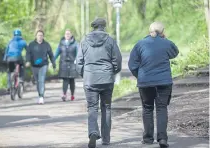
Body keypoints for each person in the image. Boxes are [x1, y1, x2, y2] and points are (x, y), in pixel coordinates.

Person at [128, 22, 179, 148]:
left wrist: (139, 76)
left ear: (148, 31)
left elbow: (132, 64)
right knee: (162, 109)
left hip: (145, 83)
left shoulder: (140, 44)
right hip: (164, 82)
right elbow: (175, 53)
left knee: (147, 109)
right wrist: (164, 39)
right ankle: (162, 139)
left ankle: (148, 139)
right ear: (162, 32)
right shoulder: (167, 43)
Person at [76, 18, 122, 148]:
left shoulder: (84, 40)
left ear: (94, 27)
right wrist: (112, 72)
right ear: (104, 26)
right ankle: (106, 139)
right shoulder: (110, 40)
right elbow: (117, 60)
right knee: (106, 108)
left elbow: (79, 61)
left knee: (92, 108)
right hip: (106, 79)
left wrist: (84, 74)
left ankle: (93, 133)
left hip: (90, 79)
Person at [26, 30, 56, 104]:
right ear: (36, 36)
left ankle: (41, 96)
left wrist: (53, 64)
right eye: (39, 35)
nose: (40, 37)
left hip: (44, 65)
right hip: (34, 65)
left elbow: (51, 55)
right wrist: (28, 61)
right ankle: (40, 95)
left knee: (41, 80)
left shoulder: (46, 45)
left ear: (43, 36)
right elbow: (28, 54)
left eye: (41, 35)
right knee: (37, 81)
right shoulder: (31, 44)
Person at [54, 29, 79, 101]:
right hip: (63, 63)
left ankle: (72, 94)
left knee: (71, 80)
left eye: (68, 34)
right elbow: (57, 53)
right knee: (65, 79)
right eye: (66, 34)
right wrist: (53, 60)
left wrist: (77, 60)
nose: (67, 35)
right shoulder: (61, 43)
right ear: (64, 35)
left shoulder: (75, 43)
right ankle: (64, 94)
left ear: (71, 35)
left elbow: (78, 53)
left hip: (72, 64)